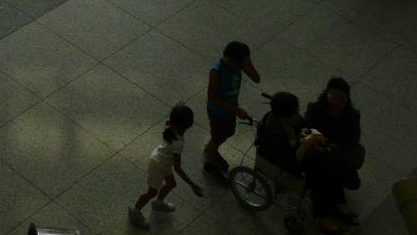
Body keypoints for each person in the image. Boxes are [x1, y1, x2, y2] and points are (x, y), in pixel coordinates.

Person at [257, 92, 348, 233]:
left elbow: (303, 124)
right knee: (320, 176)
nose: (297, 116)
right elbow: (291, 163)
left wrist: (311, 133)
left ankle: (336, 200)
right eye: (294, 115)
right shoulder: (274, 135)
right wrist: (306, 143)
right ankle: (322, 215)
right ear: (284, 118)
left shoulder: (288, 119)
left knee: (330, 160)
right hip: (286, 164)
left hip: (296, 152)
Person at [128, 104, 204, 229]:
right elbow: (178, 168)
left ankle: (158, 203)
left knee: (171, 183)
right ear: (188, 125)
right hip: (158, 165)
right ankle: (135, 211)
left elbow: (169, 120)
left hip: (162, 161)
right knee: (151, 192)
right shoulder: (178, 143)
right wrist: (192, 185)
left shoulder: (170, 125)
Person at [304, 77, 365, 216]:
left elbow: (353, 140)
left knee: (352, 181)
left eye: (341, 99)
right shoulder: (315, 109)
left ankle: (331, 198)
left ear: (347, 99)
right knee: (330, 168)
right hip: (317, 150)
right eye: (333, 97)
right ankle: (337, 202)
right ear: (327, 94)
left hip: (338, 152)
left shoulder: (352, 115)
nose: (336, 102)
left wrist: (332, 146)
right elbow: (307, 127)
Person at [203, 40, 260, 178]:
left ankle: (210, 148)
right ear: (230, 59)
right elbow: (212, 97)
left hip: (230, 109)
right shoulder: (216, 71)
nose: (239, 68)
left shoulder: (238, 64)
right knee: (218, 136)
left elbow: (256, 78)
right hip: (218, 112)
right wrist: (236, 110)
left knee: (228, 132)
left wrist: (248, 63)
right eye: (239, 64)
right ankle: (209, 164)